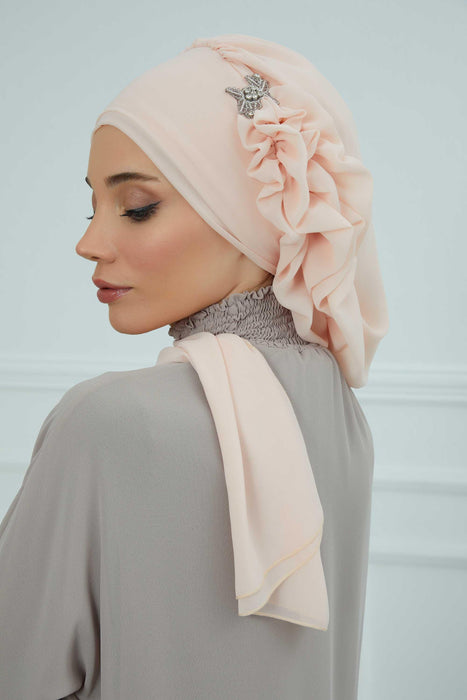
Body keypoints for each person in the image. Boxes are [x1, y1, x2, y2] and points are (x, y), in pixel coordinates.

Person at [0, 33, 389, 699]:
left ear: (241, 212)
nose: (89, 242)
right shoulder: (340, 412)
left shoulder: (106, 423)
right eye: (91, 206)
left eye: (136, 207)